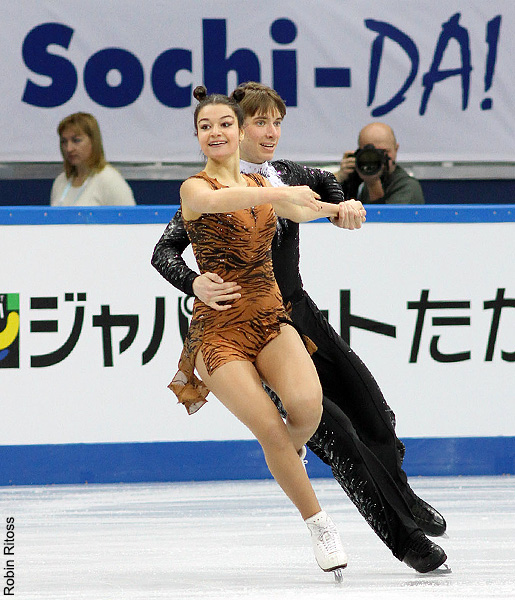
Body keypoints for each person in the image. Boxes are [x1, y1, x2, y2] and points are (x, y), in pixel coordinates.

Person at [152, 83, 448, 574]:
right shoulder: (209, 188)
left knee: (372, 411)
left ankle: (402, 497)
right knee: (340, 438)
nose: (269, 133)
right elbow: (165, 250)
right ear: (236, 130)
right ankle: (404, 538)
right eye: (257, 123)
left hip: (292, 315)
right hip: (232, 326)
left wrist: (344, 208)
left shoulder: (288, 175)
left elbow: (327, 193)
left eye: (276, 122)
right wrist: (194, 283)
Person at [166, 85, 358, 579]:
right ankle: (319, 525)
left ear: (239, 130)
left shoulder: (261, 183)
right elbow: (235, 200)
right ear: (197, 136)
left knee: (307, 408)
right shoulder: (195, 188)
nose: (216, 132)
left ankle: (286, 455)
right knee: (270, 429)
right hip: (218, 332)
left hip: (270, 318)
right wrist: (194, 282)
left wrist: (340, 210)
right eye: (205, 126)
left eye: (224, 124)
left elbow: (299, 210)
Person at [50, 112, 135, 206]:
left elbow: (131, 219)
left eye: (76, 140)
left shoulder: (109, 180)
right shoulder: (61, 181)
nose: (69, 148)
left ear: (93, 142)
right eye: (64, 142)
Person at [334, 122, 425, 204]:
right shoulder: (357, 178)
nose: (375, 158)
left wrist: (373, 183)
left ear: (395, 149)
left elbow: (383, 219)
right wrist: (339, 178)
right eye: (368, 152)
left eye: (383, 151)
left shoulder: (408, 187)